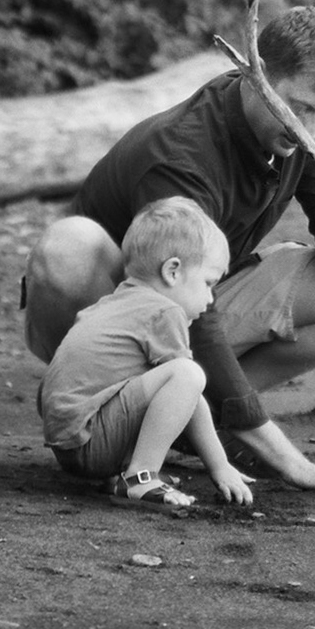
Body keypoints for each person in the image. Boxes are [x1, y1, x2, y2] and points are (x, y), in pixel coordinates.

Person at [21, 5, 315, 489]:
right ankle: (107, 413)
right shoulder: (182, 153)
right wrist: (277, 450)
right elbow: (188, 310)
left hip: (195, 296)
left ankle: (189, 418)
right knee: (69, 244)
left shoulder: (302, 125)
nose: (308, 130)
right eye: (300, 107)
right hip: (115, 317)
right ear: (257, 73)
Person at [36, 195, 254, 511]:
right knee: (187, 374)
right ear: (173, 271)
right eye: (208, 283)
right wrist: (220, 467)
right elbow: (188, 395)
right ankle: (140, 477)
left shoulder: (112, 304)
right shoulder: (163, 311)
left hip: (69, 443)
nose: (210, 299)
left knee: (158, 379)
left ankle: (124, 472)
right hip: (90, 439)